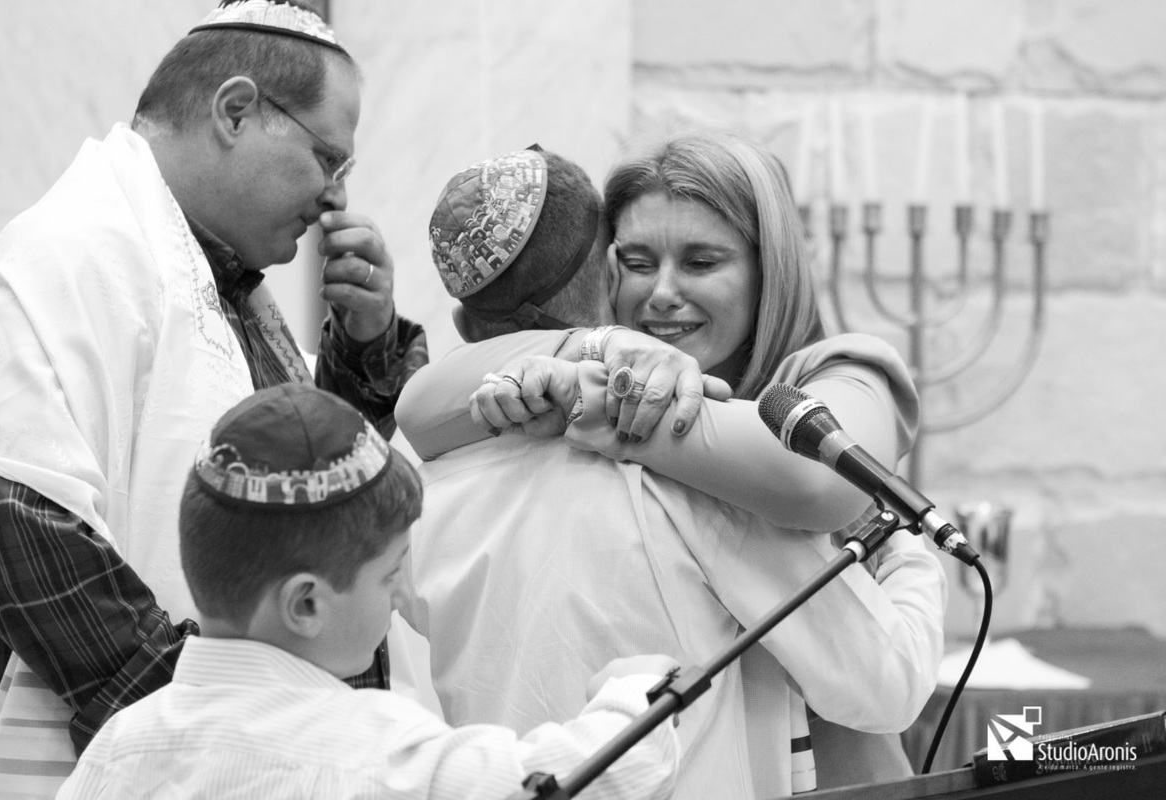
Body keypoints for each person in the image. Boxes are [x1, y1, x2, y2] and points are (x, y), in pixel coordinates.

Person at [0, 2, 426, 795]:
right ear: (235, 111)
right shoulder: (72, 252)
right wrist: (202, 732)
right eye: (327, 158)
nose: (334, 199)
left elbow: (303, 490)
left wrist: (364, 346)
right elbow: (14, 517)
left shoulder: (224, 282)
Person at [396, 144, 944, 798]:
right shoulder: (640, 468)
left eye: (701, 262)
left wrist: (592, 396)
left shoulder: (840, 371)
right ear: (605, 272)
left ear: (770, 271)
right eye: (637, 262)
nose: (661, 294)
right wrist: (599, 355)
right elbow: (419, 406)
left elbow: (814, 482)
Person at [53, 383, 679, 800]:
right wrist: (636, 696)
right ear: (306, 604)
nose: (402, 596)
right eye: (389, 575)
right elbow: (586, 778)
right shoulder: (374, 753)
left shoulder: (117, 750)